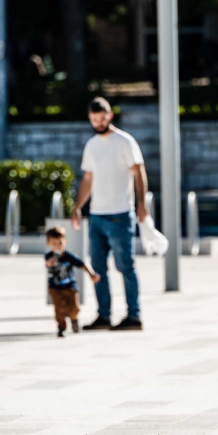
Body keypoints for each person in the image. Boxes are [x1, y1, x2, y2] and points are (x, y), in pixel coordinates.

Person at [71, 97, 149, 331]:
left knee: (126, 266)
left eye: (102, 118)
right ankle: (103, 315)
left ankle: (134, 316)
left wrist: (141, 204)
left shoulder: (125, 141)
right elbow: (88, 178)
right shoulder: (92, 145)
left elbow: (138, 172)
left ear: (110, 116)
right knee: (98, 269)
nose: (98, 122)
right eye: (94, 119)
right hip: (97, 216)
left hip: (120, 214)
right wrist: (77, 207)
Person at [44, 226, 100, 338]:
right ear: (48, 244)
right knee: (59, 308)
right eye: (54, 243)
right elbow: (47, 264)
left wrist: (91, 273)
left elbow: (82, 264)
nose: (57, 246)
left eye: (60, 242)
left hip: (70, 286)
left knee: (74, 308)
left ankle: (74, 319)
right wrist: (48, 263)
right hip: (55, 288)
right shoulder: (49, 256)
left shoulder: (69, 256)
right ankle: (61, 328)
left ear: (65, 242)